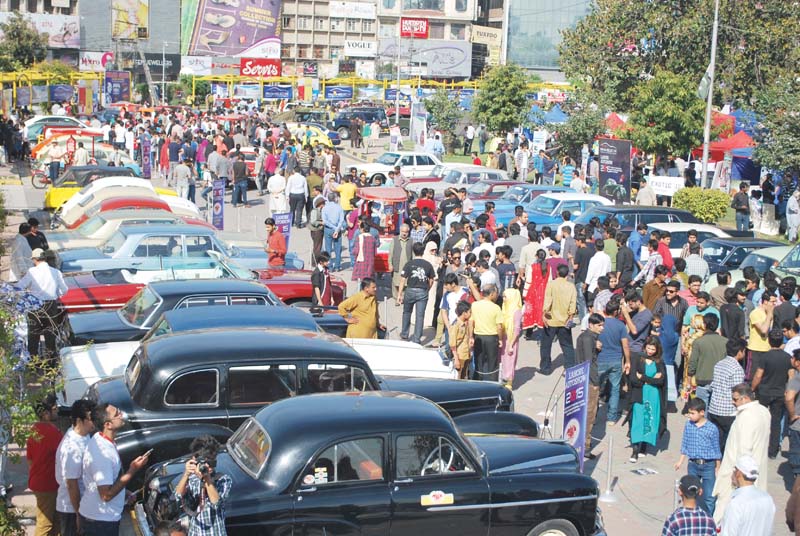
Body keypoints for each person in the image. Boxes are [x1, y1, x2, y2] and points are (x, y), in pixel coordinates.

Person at [79, 404, 150, 535]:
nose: (121, 414)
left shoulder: (102, 440)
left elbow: (108, 481)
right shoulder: (102, 453)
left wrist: (124, 491)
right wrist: (132, 470)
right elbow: (106, 495)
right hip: (100, 522)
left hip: (100, 519)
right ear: (108, 425)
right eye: (117, 414)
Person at [712, 383, 771, 523]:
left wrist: (737, 476)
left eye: (735, 399)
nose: (733, 402)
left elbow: (745, 451)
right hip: (756, 473)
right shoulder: (764, 411)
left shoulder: (747, 417)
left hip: (740, 476)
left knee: (725, 515)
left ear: (745, 398)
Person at [16, 248, 68, 369]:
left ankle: (33, 363)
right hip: (51, 306)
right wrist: (55, 294)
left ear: (35, 259)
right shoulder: (55, 272)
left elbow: (20, 286)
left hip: (34, 307)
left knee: (33, 335)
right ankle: (51, 364)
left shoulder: (32, 272)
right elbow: (64, 290)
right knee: (50, 335)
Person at [174, 435, 232, 536]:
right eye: (204, 462)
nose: (207, 466)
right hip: (195, 532)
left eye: (211, 462)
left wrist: (207, 478)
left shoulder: (223, 479)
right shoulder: (191, 479)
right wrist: (186, 474)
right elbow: (177, 495)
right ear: (194, 459)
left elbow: (216, 503)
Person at [673, 398, 722, 515]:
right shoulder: (688, 425)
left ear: (702, 413)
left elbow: (716, 449)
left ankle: (708, 518)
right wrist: (680, 461)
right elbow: (685, 443)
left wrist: (717, 467)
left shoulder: (712, 428)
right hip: (693, 464)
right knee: (691, 492)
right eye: (689, 413)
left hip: (708, 465)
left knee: (709, 496)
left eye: (692, 413)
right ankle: (692, 515)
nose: (689, 416)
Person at [55, 399, 96, 536]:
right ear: (80, 420)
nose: (95, 422)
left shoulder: (84, 436)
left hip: (82, 505)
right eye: (91, 418)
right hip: (71, 509)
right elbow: (71, 484)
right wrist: (79, 514)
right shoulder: (71, 447)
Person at [751, 328, 792, 459]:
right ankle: (773, 450)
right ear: (781, 341)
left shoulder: (765, 357)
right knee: (775, 422)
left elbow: (758, 375)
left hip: (764, 392)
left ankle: (758, 446)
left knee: (760, 420)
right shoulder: (788, 358)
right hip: (780, 393)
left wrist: (752, 388)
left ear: (769, 341)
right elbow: (791, 376)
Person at [27, 394, 62, 536]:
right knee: (45, 523)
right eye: (55, 408)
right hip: (49, 484)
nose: (57, 410)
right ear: (46, 414)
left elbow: (29, 459)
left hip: (38, 482)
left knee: (54, 521)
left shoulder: (34, 430)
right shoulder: (52, 432)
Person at [628, 336, 666, 461]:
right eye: (648, 348)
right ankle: (635, 449)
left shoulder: (659, 362)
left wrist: (644, 378)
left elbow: (661, 380)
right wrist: (651, 379)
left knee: (649, 420)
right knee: (637, 421)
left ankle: (644, 446)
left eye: (653, 349)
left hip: (653, 395)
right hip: (639, 394)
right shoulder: (638, 358)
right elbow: (633, 378)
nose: (650, 351)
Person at [719, 455, 775, 536]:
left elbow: (728, 533)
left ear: (738, 473)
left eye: (734, 470)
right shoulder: (767, 498)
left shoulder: (736, 503)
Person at [707, 338, 746, 452]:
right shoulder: (737, 369)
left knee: (715, 441)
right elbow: (738, 392)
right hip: (728, 412)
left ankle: (713, 463)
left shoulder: (719, 364)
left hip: (714, 408)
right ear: (739, 352)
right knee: (728, 443)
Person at [540, 264, 577, 374]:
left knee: (546, 345)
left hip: (551, 320)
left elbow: (548, 300)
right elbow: (573, 303)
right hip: (564, 321)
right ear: (566, 274)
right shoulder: (571, 286)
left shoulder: (551, 284)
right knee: (567, 346)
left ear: (557, 273)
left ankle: (545, 368)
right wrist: (570, 317)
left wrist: (544, 314)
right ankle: (570, 368)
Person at [599, 299, 631, 424]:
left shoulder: (600, 324)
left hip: (601, 359)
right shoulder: (621, 326)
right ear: (617, 312)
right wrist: (627, 361)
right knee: (615, 389)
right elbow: (625, 346)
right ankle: (611, 418)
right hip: (616, 360)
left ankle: (594, 415)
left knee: (597, 388)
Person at [576, 313, 604, 459]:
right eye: (599, 325)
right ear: (591, 325)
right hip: (590, 381)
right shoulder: (589, 339)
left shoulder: (587, 337)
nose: (602, 328)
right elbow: (589, 362)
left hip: (583, 379)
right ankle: (585, 446)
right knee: (589, 414)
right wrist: (595, 383)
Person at [398, 242, 435, 344]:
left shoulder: (409, 264)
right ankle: (417, 339)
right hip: (422, 291)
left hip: (410, 290)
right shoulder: (428, 265)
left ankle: (404, 334)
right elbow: (431, 279)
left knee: (406, 312)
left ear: (414, 251)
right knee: (420, 316)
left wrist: (399, 294)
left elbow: (402, 279)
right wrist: (427, 288)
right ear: (423, 251)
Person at [688, 313, 727, 409]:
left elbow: (693, 362)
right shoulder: (725, 341)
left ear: (704, 325)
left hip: (702, 380)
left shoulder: (698, 342)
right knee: (716, 409)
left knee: (701, 410)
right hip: (719, 381)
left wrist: (689, 378)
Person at [471, 284, 504, 381]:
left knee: (478, 362)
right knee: (492, 363)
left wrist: (470, 337)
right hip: (492, 338)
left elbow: (471, 322)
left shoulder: (475, 305)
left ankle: (477, 383)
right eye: (496, 293)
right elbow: (499, 327)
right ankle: (492, 384)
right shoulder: (496, 308)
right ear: (492, 294)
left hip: (478, 337)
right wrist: (501, 339)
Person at [500, 288, 523, 388]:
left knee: (509, 361)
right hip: (504, 337)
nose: (503, 298)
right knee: (503, 360)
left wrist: (511, 344)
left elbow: (517, 330)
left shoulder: (516, 311)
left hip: (511, 340)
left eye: (505, 296)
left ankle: (509, 383)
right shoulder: (505, 307)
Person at [522, 249, 549, 331]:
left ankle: (529, 332)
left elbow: (528, 281)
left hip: (533, 292)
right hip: (544, 292)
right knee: (541, 311)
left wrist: (524, 293)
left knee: (531, 311)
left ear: (537, 256)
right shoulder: (548, 267)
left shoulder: (532, 267)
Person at [449, 301, 473, 379]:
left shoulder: (465, 323)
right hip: (459, 356)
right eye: (470, 312)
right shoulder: (456, 325)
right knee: (458, 378)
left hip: (465, 354)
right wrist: (456, 359)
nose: (471, 314)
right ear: (464, 313)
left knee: (464, 376)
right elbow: (452, 344)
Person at [322, 193, 345, 271]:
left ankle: (329, 266)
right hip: (337, 229)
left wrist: (333, 227)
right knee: (337, 249)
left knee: (328, 248)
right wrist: (337, 229)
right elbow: (341, 220)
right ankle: (337, 266)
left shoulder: (325, 208)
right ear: (335, 198)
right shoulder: (339, 207)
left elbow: (325, 221)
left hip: (328, 229)